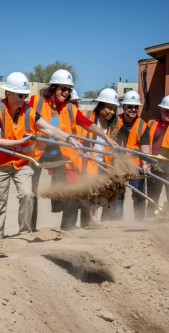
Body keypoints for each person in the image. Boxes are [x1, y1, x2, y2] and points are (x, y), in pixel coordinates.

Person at [0, 72, 81, 239]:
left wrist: (68, 137)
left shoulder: (29, 111)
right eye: (20, 95)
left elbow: (49, 129)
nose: (24, 98)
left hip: (21, 163)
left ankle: (24, 233)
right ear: (9, 93)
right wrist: (19, 142)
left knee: (27, 194)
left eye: (25, 95)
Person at [28, 70, 117, 230]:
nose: (66, 92)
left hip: (60, 154)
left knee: (70, 189)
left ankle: (68, 226)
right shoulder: (36, 101)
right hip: (37, 152)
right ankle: (29, 228)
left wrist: (106, 138)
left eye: (69, 89)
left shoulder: (69, 108)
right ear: (53, 87)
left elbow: (87, 123)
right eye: (63, 88)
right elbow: (23, 116)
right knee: (31, 191)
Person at [103, 90, 151, 221]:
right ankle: (119, 223)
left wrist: (146, 163)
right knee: (118, 196)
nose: (133, 109)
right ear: (123, 107)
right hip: (117, 165)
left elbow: (145, 147)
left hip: (136, 166)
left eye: (136, 107)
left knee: (139, 196)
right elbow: (108, 143)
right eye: (130, 106)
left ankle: (139, 222)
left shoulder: (143, 125)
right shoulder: (114, 121)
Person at [78, 88, 121, 224]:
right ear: (100, 105)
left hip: (105, 164)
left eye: (114, 109)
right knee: (90, 194)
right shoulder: (86, 116)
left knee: (103, 196)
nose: (112, 112)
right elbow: (77, 133)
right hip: (88, 161)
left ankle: (99, 223)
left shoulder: (115, 124)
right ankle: (88, 223)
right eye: (109, 108)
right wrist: (81, 151)